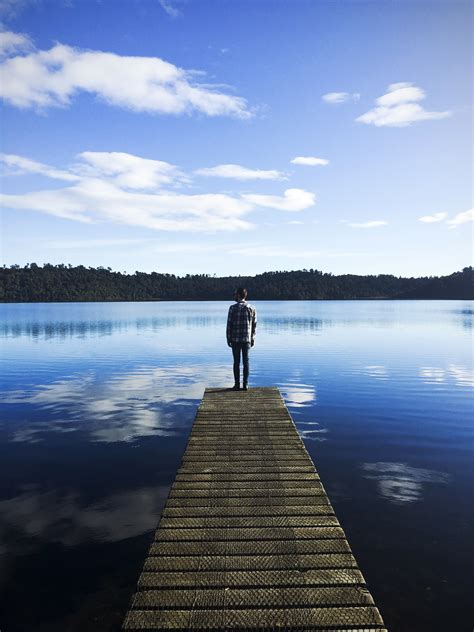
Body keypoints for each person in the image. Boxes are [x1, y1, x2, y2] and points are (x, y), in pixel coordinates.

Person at [226, 287, 257, 391]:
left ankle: (237, 384)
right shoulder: (251, 308)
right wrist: (252, 339)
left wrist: (228, 338)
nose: (234, 296)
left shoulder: (232, 308)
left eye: (235, 294)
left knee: (236, 362)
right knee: (246, 362)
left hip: (235, 339)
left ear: (239, 295)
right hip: (246, 339)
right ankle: (245, 385)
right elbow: (254, 326)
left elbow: (229, 325)